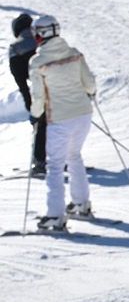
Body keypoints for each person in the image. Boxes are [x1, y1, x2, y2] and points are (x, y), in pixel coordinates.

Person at [28, 15, 96, 231]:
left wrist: (35, 114)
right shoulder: (74, 54)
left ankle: (55, 215)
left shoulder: (38, 62)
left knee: (55, 165)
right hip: (83, 114)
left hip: (60, 119)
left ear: (43, 34)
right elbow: (90, 84)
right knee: (74, 156)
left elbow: (38, 97)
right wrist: (88, 94)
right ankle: (81, 204)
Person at [8, 13, 46, 176]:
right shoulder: (40, 41)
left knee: (39, 120)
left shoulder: (14, 48)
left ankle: (39, 161)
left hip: (22, 70)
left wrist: (31, 107)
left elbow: (22, 85)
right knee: (54, 119)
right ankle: (59, 157)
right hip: (49, 84)